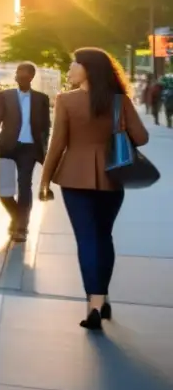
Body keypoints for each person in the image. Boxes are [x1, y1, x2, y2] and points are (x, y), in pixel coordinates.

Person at [40, 48, 149, 330]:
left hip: (74, 179)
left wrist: (44, 181)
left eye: (74, 64)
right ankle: (102, 299)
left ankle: (94, 305)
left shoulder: (66, 101)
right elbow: (142, 137)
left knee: (87, 239)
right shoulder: (118, 101)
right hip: (112, 178)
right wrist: (119, 126)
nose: (70, 69)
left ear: (88, 68)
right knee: (103, 236)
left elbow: (58, 144)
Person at [0, 62, 51, 242]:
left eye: (24, 73)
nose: (20, 76)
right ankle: (17, 216)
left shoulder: (41, 99)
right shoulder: (4, 96)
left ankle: (22, 227)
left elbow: (46, 127)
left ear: (31, 77)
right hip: (7, 147)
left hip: (29, 149)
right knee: (4, 190)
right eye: (18, 73)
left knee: (24, 187)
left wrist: (45, 149)